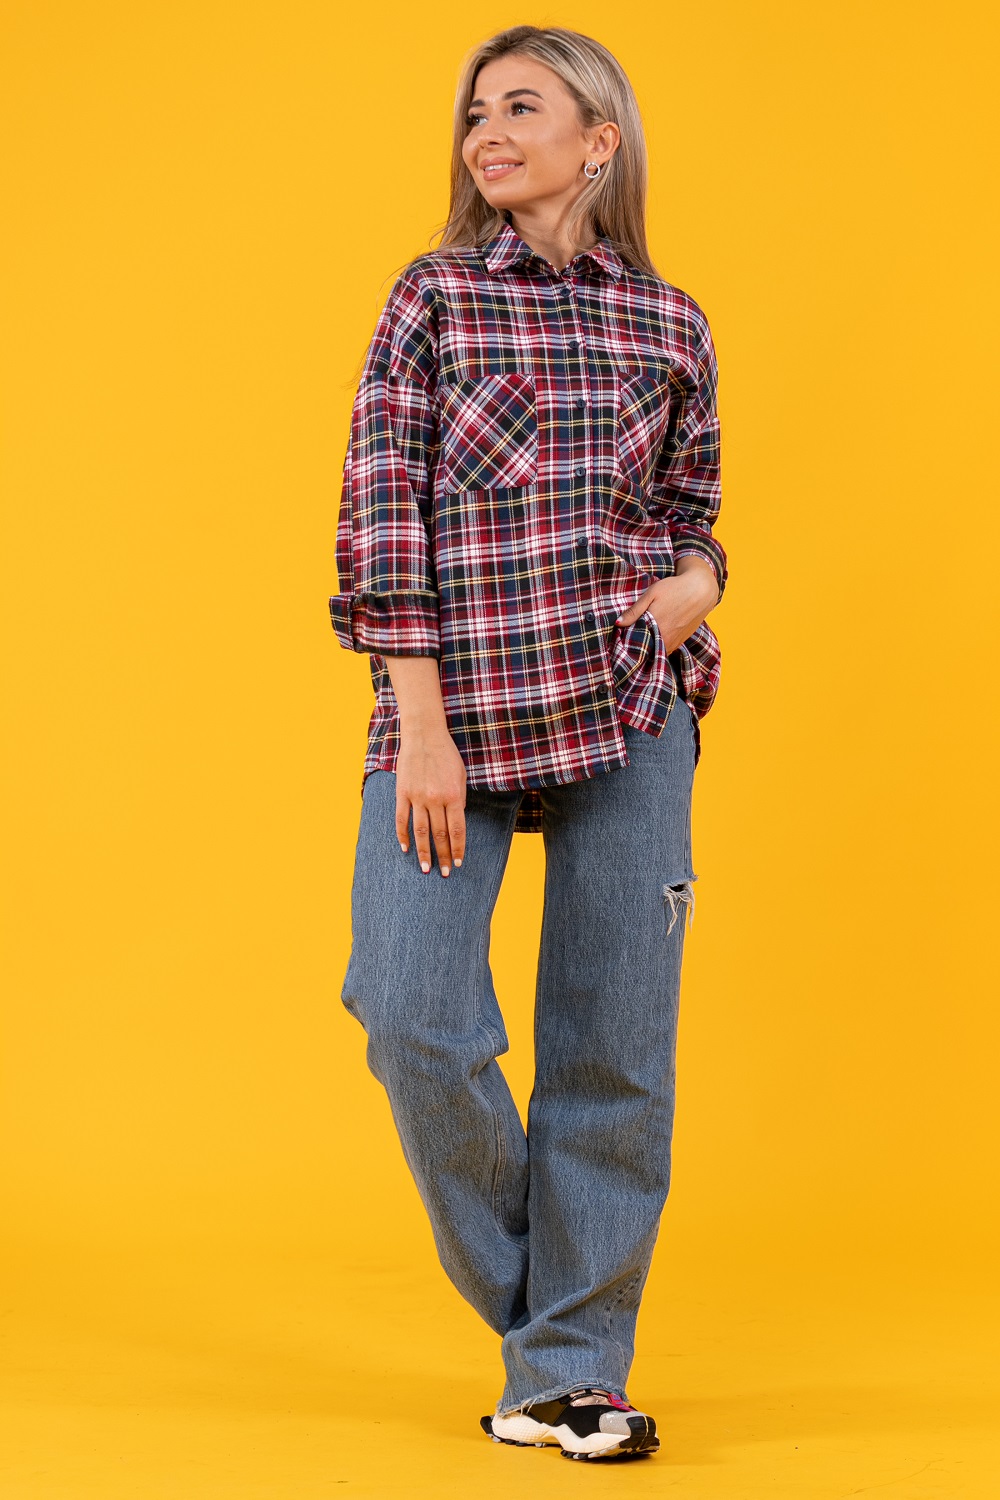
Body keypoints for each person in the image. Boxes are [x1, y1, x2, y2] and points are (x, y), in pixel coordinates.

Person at [327, 24, 728, 1463]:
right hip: (457, 714)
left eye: (520, 107)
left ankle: (567, 1375)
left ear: (597, 140)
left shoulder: (670, 321)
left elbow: (691, 509)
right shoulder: (432, 297)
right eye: (473, 113)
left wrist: (696, 585)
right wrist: (420, 725)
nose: (485, 133)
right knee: (410, 1015)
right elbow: (382, 511)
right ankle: (559, 1329)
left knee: (614, 1050)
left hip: (627, 703)